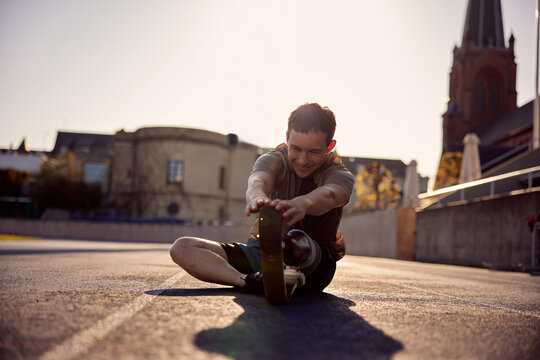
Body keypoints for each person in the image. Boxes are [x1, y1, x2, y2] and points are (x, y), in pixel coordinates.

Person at [170, 103, 355, 294]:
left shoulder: (339, 174)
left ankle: (289, 273)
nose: (302, 159)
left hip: (314, 263)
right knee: (182, 247)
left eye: (313, 152)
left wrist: (302, 204)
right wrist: (257, 197)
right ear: (287, 138)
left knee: (295, 240)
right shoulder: (274, 160)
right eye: (296, 148)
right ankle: (250, 281)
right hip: (261, 256)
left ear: (329, 147)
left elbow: (332, 194)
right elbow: (258, 180)